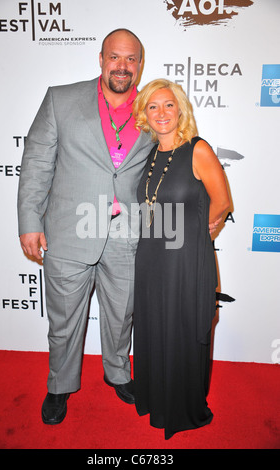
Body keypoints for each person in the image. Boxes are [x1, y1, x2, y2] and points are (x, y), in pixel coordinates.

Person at [17, 29, 154, 425]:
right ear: (100, 58)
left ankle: (118, 374)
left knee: (122, 315)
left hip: (127, 235)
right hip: (68, 230)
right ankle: (59, 386)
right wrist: (29, 221)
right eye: (115, 57)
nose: (122, 66)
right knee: (63, 319)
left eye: (131, 59)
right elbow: (37, 164)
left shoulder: (153, 108)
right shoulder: (61, 99)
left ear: (140, 64)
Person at [132, 79, 230, 439]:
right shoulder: (148, 153)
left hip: (186, 260)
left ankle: (183, 405)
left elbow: (221, 203)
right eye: (153, 106)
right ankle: (157, 396)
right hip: (151, 255)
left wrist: (194, 235)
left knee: (183, 328)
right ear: (144, 113)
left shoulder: (197, 149)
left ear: (180, 110)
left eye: (168, 105)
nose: (161, 113)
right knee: (156, 325)